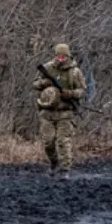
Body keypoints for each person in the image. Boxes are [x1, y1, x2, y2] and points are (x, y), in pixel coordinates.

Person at [33, 42, 87, 176]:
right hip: (47, 111)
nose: (61, 59)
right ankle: (54, 163)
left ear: (68, 56)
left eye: (63, 56)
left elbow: (82, 91)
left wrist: (70, 93)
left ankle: (65, 170)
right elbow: (34, 84)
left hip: (65, 112)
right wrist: (44, 83)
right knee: (48, 142)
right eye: (59, 56)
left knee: (63, 141)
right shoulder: (47, 68)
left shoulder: (74, 72)